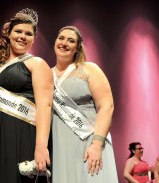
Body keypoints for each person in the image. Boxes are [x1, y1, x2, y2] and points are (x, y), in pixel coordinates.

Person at [0, 8, 54, 183]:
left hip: (20, 130)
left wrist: (41, 146)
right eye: (18, 31)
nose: (23, 36)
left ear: (34, 38)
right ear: (8, 34)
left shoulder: (36, 64)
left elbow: (45, 106)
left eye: (28, 33)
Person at [51, 25, 118, 183]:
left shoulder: (89, 69)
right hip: (60, 145)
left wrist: (96, 144)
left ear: (77, 47)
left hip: (89, 142)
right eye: (61, 38)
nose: (64, 43)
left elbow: (106, 106)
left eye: (71, 40)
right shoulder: (47, 74)